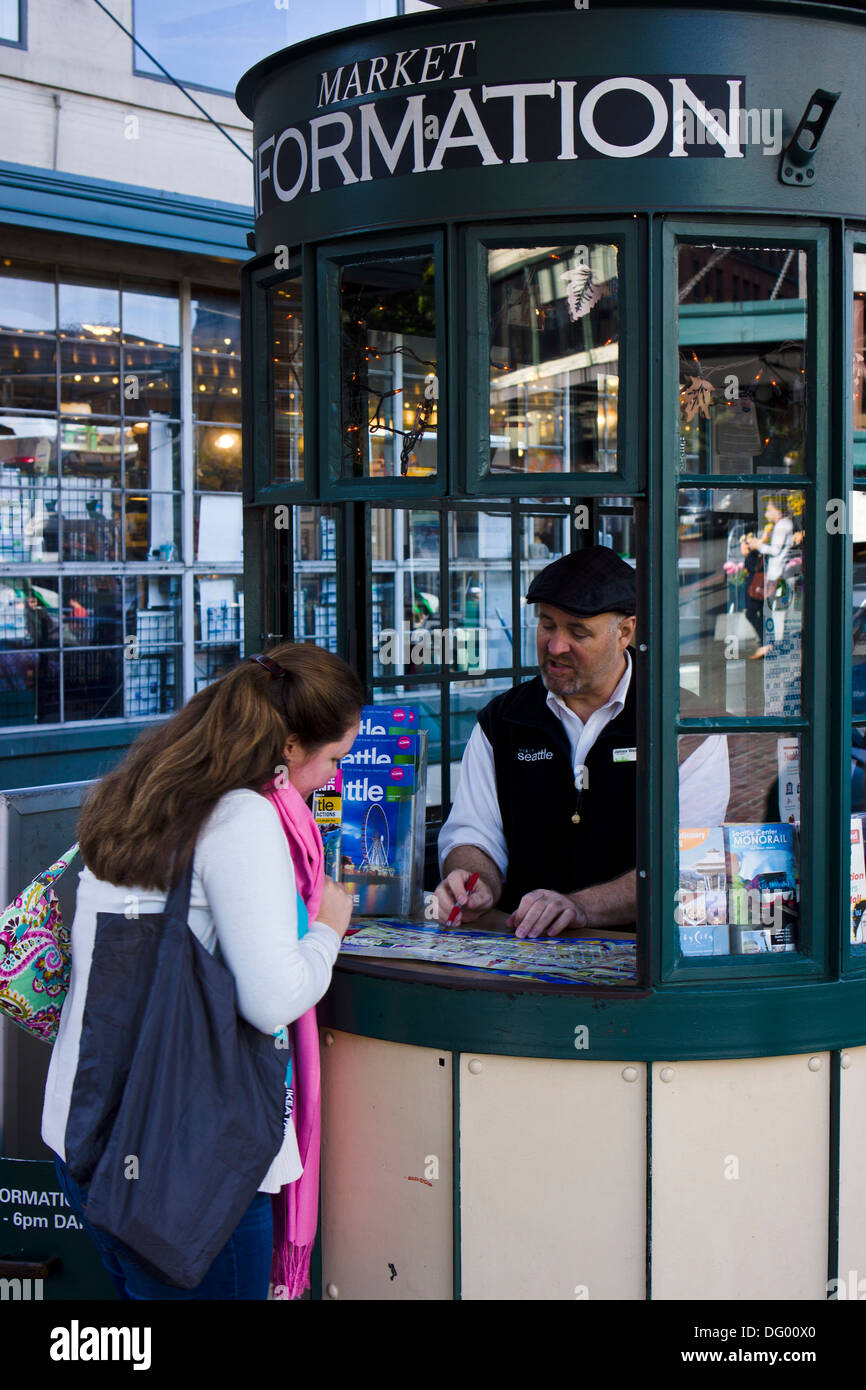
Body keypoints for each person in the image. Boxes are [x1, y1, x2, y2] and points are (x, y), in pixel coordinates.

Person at [42, 642, 363, 1300]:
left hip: (86, 1134)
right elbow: (271, 998)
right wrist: (328, 927)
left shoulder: (143, 791)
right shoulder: (240, 815)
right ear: (292, 743)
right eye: (333, 759)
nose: (332, 778)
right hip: (182, 1161)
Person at [434, 547, 730, 940]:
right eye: (547, 625)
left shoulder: (687, 727)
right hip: (519, 949)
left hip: (642, 953)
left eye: (578, 632)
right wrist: (471, 880)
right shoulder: (501, 721)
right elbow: (473, 832)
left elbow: (688, 861)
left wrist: (581, 908)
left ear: (625, 632)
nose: (555, 646)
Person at [746, 498, 794, 659]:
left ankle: (767, 644)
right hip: (773, 574)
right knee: (761, 610)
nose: (766, 513)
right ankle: (767, 643)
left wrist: (757, 545)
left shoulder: (782, 526)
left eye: (768, 509)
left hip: (774, 575)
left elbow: (774, 550)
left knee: (754, 610)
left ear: (778, 511)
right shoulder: (781, 525)